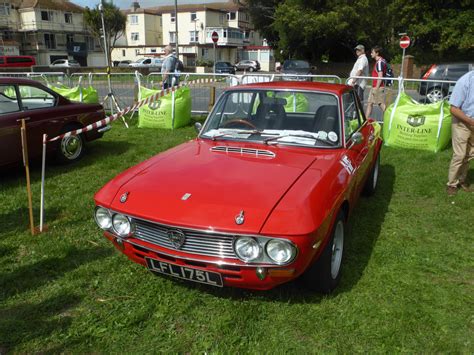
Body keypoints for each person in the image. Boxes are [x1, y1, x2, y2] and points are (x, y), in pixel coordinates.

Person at [446, 70, 474, 196]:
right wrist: (470, 121)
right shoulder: (465, 81)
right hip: (461, 122)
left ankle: (461, 180)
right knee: (459, 155)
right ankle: (452, 184)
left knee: (470, 154)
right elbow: (453, 108)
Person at [365, 46, 387, 119]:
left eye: (372, 52)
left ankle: (389, 119)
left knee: (381, 104)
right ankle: (366, 120)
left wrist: (376, 89)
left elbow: (380, 76)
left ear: (377, 53)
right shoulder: (381, 61)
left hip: (378, 87)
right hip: (375, 86)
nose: (371, 54)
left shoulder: (380, 62)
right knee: (369, 103)